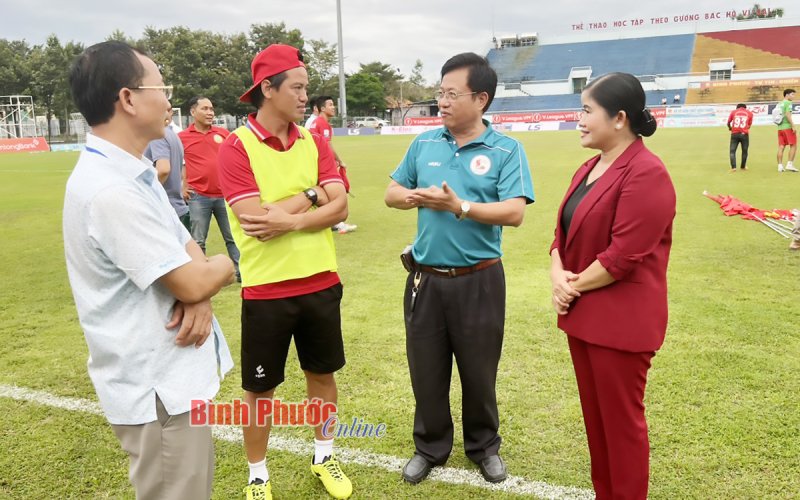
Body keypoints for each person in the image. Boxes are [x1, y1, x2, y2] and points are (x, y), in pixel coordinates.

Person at [63, 41, 235, 500]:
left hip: (171, 383)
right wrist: (224, 265)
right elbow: (194, 273)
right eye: (162, 87)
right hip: (156, 390)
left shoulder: (132, 171)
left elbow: (185, 254)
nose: (168, 100)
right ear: (128, 99)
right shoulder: (109, 190)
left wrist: (199, 286)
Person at [384, 52, 534, 485]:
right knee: (426, 369)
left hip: (480, 279)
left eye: (452, 94)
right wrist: (413, 197)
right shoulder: (424, 143)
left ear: (481, 99)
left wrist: (459, 206)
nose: (442, 102)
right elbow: (392, 192)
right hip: (426, 280)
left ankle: (484, 446)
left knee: (479, 370)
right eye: (440, 93)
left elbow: (514, 212)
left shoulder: (506, 149)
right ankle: (430, 446)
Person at [217, 44, 353, 500]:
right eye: (297, 87)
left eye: (306, 88)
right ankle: (258, 476)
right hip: (266, 291)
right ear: (267, 89)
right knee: (261, 390)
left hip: (321, 281)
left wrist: (293, 216)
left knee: (323, 376)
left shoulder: (315, 140)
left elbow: (341, 205)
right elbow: (257, 223)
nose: (304, 96)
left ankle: (324, 456)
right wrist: (313, 195)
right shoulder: (237, 146)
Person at [549, 72, 676, 499]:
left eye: (587, 111)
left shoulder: (647, 172)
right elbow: (561, 236)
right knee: (596, 423)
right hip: (584, 318)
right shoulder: (589, 166)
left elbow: (623, 256)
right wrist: (557, 273)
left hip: (621, 325)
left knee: (620, 427)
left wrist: (571, 287)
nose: (578, 120)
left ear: (619, 118)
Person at [178, 96, 242, 278]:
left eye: (211, 109)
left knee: (233, 237)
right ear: (192, 112)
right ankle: (200, 274)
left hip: (225, 195)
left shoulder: (223, 134)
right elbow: (179, 164)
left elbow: (236, 159)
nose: (210, 113)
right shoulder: (182, 137)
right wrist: (183, 186)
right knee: (198, 240)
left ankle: (241, 273)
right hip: (198, 196)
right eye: (205, 109)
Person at [309, 95, 358, 234]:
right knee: (335, 193)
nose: (333, 107)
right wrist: (339, 160)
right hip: (322, 164)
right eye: (330, 105)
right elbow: (327, 145)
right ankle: (337, 223)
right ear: (322, 108)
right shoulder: (323, 124)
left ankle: (331, 222)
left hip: (314, 162)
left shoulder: (315, 122)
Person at [145, 109, 191, 230]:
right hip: (177, 208)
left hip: (166, 210)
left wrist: (147, 193)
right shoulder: (172, 135)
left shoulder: (157, 136)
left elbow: (163, 170)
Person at [726, 103, 753, 172]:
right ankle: (743, 167)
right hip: (744, 134)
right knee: (744, 151)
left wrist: (730, 128)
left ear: (737, 108)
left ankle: (733, 167)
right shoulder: (749, 113)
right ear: (745, 108)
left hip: (734, 133)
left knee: (732, 151)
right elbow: (749, 125)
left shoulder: (734, 112)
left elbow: (728, 122)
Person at [777, 88, 798, 172]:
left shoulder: (779, 103)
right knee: (794, 145)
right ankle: (790, 164)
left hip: (780, 128)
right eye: (792, 94)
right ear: (787, 95)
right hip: (787, 127)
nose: (794, 96)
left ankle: (780, 165)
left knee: (781, 146)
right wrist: (793, 125)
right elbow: (787, 114)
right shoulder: (788, 103)